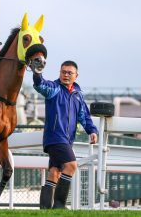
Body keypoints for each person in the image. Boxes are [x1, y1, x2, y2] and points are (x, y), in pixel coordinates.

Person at [32, 60, 98, 209]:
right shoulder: (54, 88)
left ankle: (45, 208)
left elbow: (84, 117)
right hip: (55, 137)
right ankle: (59, 205)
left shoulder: (78, 95)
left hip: (67, 140)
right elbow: (40, 85)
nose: (66, 75)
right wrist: (37, 72)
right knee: (71, 166)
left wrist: (92, 130)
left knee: (55, 172)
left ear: (76, 75)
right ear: (59, 73)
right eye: (63, 72)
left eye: (69, 73)